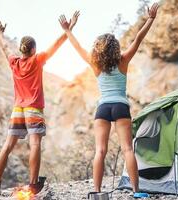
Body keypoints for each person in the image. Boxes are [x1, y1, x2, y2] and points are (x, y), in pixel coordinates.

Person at [59, 4, 159, 198]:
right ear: (116, 48)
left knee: (100, 151)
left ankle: (96, 192)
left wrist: (68, 30)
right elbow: (138, 38)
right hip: (121, 106)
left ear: (98, 49)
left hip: (103, 108)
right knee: (128, 149)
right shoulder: (123, 60)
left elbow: (77, 47)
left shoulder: (94, 64)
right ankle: (137, 192)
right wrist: (150, 19)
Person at [0, 12, 79, 196]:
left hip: (17, 109)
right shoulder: (37, 60)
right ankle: (33, 184)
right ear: (32, 50)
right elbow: (56, 46)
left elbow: (4, 47)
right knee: (35, 144)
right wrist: (68, 29)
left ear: (22, 49)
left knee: (7, 146)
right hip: (33, 109)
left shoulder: (14, 62)